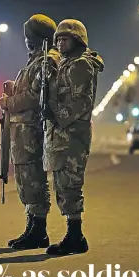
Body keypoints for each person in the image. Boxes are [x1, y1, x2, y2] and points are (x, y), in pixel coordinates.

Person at [0, 14, 61, 250]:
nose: (26, 42)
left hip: (33, 131)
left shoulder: (47, 61)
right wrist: (15, 90)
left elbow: (36, 98)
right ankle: (32, 226)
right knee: (26, 179)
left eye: (28, 37)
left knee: (34, 179)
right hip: (23, 131)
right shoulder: (37, 60)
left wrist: (8, 102)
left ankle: (39, 231)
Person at [43, 19, 104, 255]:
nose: (59, 43)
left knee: (70, 185)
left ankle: (76, 236)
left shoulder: (81, 65)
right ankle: (73, 234)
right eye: (57, 39)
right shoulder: (65, 63)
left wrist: (57, 115)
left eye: (64, 39)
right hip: (61, 135)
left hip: (72, 135)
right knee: (62, 184)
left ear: (77, 40)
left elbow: (81, 102)